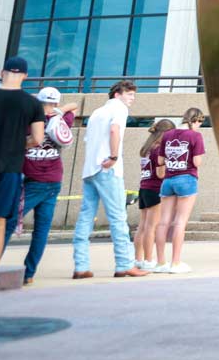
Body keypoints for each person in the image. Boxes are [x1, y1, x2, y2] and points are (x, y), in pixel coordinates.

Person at [72, 80, 148, 278]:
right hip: (108, 169)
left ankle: (81, 265)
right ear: (117, 94)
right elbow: (115, 130)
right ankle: (124, 264)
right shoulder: (119, 109)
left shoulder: (96, 113)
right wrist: (113, 156)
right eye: (129, 94)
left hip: (90, 169)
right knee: (117, 217)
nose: (132, 98)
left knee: (85, 217)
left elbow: (89, 140)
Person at [2, 85, 78, 283]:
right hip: (54, 181)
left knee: (8, 222)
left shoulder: (29, 121)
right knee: (41, 230)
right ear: (56, 103)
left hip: (33, 181)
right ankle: (29, 274)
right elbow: (75, 107)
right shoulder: (61, 120)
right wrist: (60, 110)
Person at [0, 57, 45, 267]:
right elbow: (37, 138)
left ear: (2, 73)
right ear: (25, 76)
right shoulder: (32, 103)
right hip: (9, 168)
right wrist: (17, 144)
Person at [154, 107, 206, 274]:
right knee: (180, 222)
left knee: (163, 222)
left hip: (168, 180)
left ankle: (160, 262)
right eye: (200, 123)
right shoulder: (195, 136)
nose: (199, 126)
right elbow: (197, 162)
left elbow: (161, 159)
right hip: (187, 179)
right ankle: (175, 263)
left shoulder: (168, 134)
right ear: (195, 120)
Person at [132, 118, 174, 272]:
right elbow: (160, 173)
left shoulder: (146, 149)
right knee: (152, 227)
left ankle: (138, 258)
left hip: (144, 187)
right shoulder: (158, 150)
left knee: (142, 226)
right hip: (155, 188)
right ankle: (149, 259)